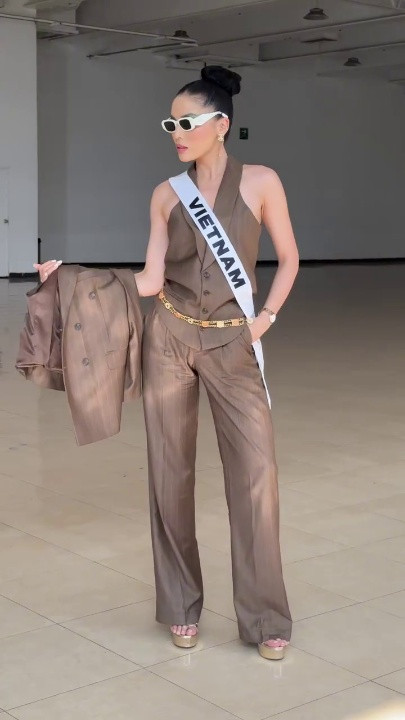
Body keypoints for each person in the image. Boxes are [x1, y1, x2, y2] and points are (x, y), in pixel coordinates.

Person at [35, 65, 299, 661]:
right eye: (170, 124)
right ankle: (181, 606)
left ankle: (266, 616)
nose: (176, 134)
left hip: (234, 341)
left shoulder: (262, 182)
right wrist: (71, 277)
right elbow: (151, 280)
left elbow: (289, 258)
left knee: (256, 478)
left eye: (187, 122)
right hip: (171, 340)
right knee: (169, 475)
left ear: (220, 124)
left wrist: (265, 318)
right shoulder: (166, 194)